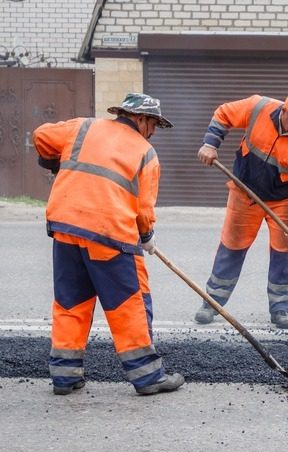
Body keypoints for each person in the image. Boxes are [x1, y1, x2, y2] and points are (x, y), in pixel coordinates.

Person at [33, 92, 184, 395]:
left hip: (66, 226)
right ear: (141, 119)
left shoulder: (83, 127)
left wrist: (55, 164)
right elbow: (143, 210)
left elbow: (41, 136)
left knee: (70, 302)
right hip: (108, 233)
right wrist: (147, 237)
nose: (153, 132)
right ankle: (148, 377)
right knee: (129, 304)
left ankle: (64, 376)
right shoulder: (146, 152)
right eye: (153, 124)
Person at [194, 93, 288, 329]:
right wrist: (210, 144)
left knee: (283, 252)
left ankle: (280, 308)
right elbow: (223, 113)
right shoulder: (257, 107)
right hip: (245, 192)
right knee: (232, 246)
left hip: (283, 200)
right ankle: (212, 303)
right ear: (284, 111)